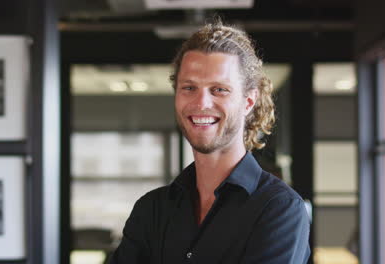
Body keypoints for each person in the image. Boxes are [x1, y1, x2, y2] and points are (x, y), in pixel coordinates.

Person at [110, 19, 310, 264]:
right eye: (189, 88)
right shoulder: (151, 210)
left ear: (248, 101)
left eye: (219, 89)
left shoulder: (278, 209)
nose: (201, 103)